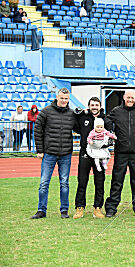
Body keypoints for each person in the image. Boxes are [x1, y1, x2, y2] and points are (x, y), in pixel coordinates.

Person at [104, 90, 135, 217]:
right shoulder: (116, 111)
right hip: (121, 152)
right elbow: (106, 121)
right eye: (128, 97)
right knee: (117, 180)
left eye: (132, 98)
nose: (130, 100)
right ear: (124, 97)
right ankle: (111, 208)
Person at [31, 88, 78, 219]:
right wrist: (40, 150)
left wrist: (82, 115)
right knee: (44, 183)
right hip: (49, 153)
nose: (64, 101)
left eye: (66, 99)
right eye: (62, 98)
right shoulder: (45, 112)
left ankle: (64, 210)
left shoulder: (71, 114)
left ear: (69, 99)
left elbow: (79, 129)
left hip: (66, 153)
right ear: (57, 97)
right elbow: (37, 131)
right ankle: (41, 210)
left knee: (64, 183)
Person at [73, 97, 109, 219]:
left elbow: (109, 135)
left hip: (100, 154)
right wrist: (79, 113)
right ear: (89, 106)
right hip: (85, 153)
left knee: (99, 182)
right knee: (82, 181)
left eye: (96, 105)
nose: (94, 107)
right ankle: (79, 208)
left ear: (100, 106)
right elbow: (76, 127)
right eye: (92, 105)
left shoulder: (105, 119)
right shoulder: (84, 117)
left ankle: (97, 208)